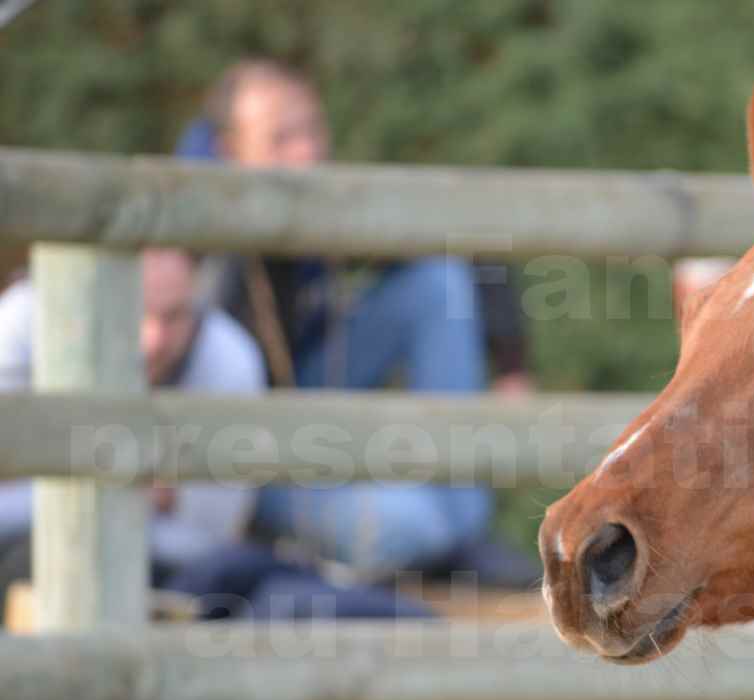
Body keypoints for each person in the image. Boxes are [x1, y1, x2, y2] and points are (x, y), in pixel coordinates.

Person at [184, 59, 496, 580]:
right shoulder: (185, 227)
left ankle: (466, 530)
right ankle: (436, 537)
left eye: (312, 130)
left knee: (437, 282)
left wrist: (509, 354)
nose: (306, 152)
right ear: (229, 153)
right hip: (239, 454)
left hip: (309, 390)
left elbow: (461, 223)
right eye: (281, 138)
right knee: (408, 527)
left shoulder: (326, 199)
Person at [0, 248, 266, 596]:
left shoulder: (231, 358)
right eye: (134, 311)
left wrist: (54, 464)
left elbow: (208, 534)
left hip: (162, 573)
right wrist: (147, 476)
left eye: (173, 316)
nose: (154, 339)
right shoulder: (30, 317)